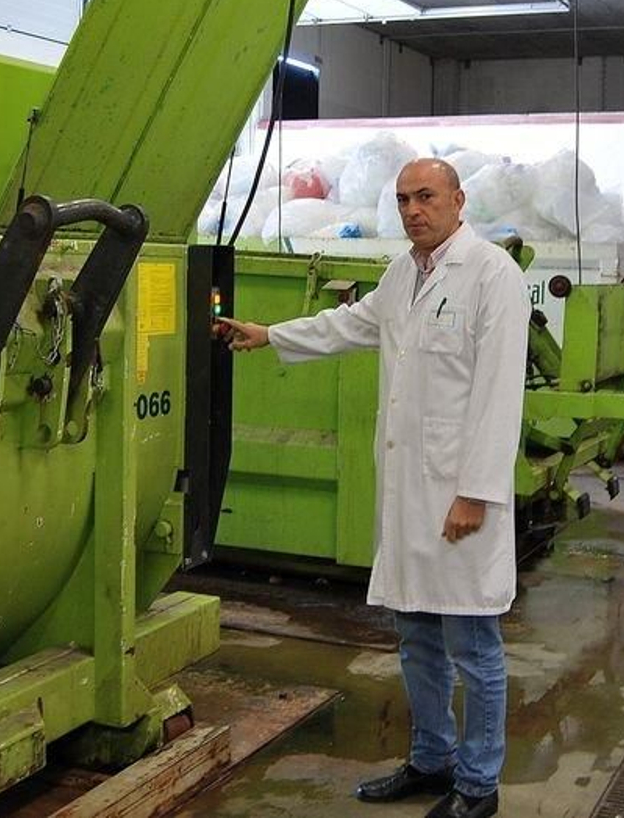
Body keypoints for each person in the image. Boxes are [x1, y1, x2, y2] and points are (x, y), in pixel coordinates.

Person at [219, 158, 528, 818]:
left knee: (474, 649)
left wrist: (474, 493)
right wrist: (269, 334)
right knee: (416, 637)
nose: (414, 209)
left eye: (426, 197)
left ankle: (478, 786)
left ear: (457, 200)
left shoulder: (493, 276)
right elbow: (351, 325)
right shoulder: (401, 273)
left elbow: (500, 396)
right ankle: (431, 758)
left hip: (458, 498)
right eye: (404, 199)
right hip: (411, 498)